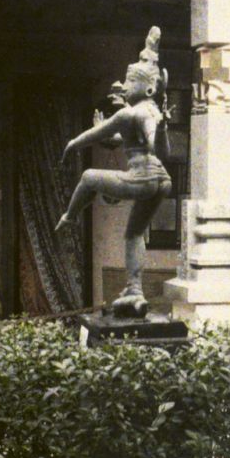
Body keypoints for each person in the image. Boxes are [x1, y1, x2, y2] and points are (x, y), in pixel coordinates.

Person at [57, 27, 173, 319]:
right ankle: (135, 290)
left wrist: (72, 144)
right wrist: (154, 133)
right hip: (161, 181)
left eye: (130, 81)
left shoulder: (128, 114)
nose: (123, 86)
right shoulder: (152, 112)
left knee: (88, 178)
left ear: (147, 89)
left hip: (142, 179)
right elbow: (145, 145)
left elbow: (96, 134)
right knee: (134, 232)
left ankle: (69, 217)